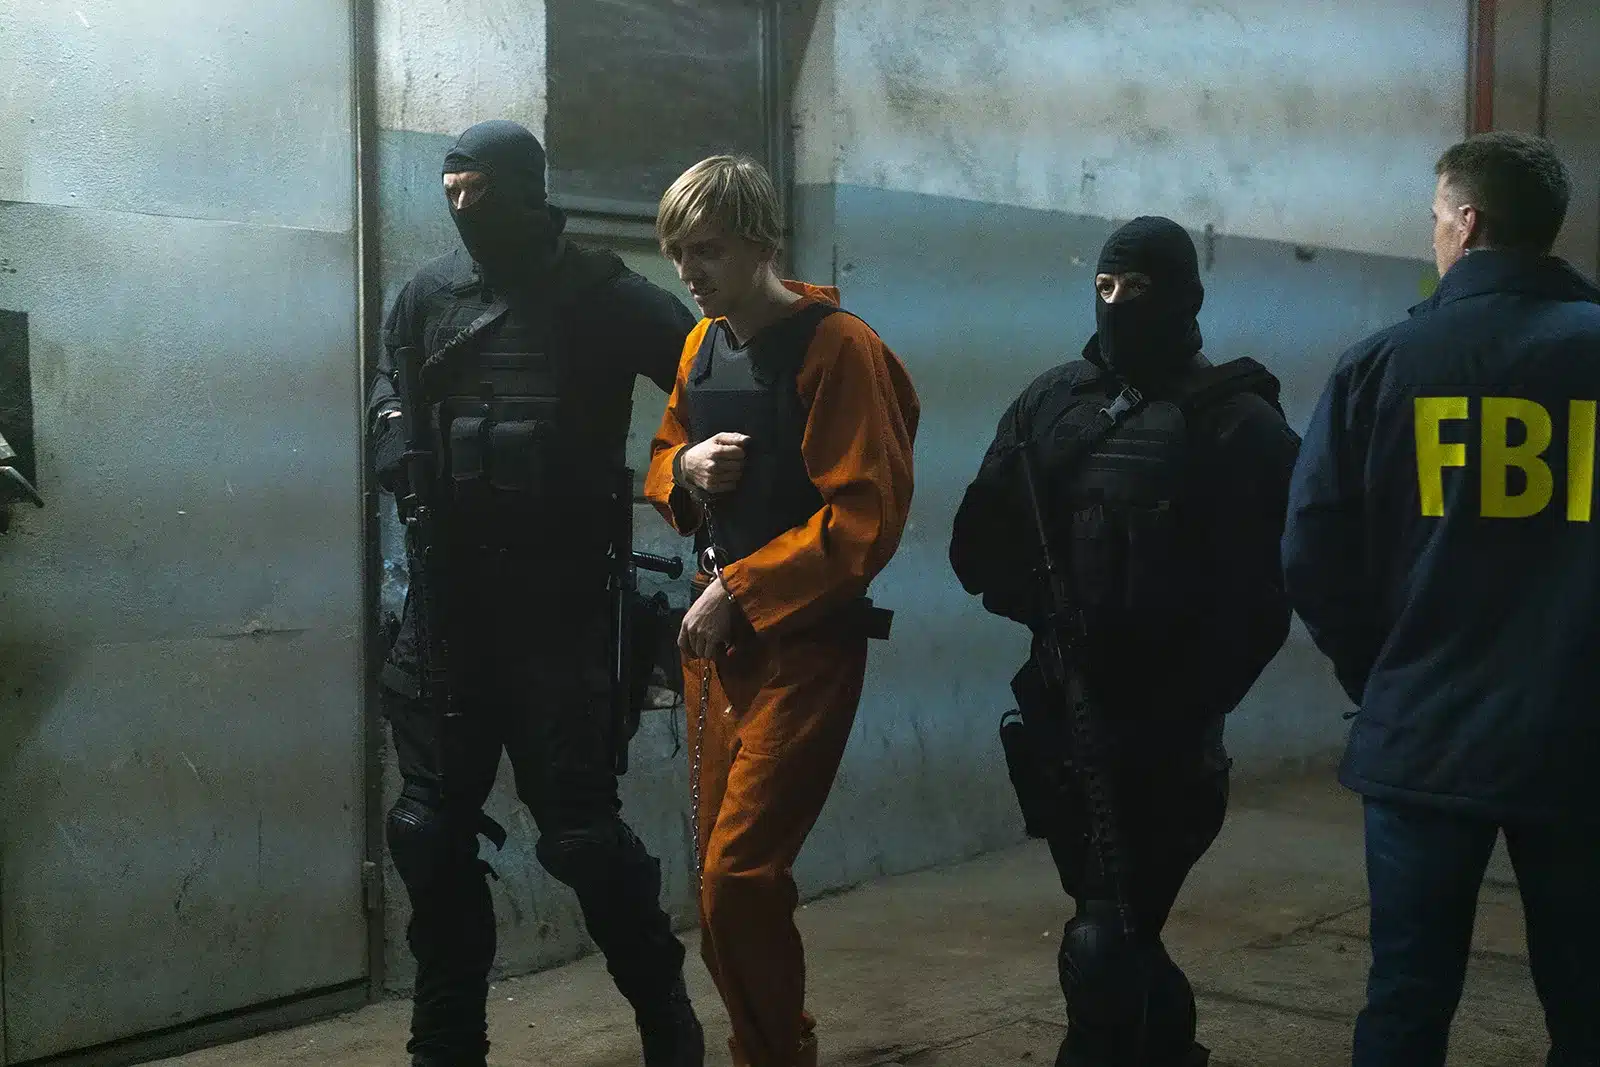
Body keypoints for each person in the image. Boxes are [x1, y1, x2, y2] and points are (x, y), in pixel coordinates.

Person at [367, 119, 704, 1067]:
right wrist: (391, 432)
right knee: (428, 834)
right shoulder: (428, 295)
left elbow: (706, 378)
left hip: (562, 614)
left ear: (526, 188)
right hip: (448, 609)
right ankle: (445, 1045)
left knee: (582, 838)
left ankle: (665, 1017)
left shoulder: (601, 294)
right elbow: (387, 387)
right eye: (451, 190)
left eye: (479, 189)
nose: (463, 206)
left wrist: (690, 478)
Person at [949, 217, 1299, 1067]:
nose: (1115, 305)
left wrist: (1186, 695)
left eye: (1136, 289)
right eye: (1103, 287)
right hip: (1064, 716)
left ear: (1183, 296)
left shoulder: (1237, 421)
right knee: (1119, 930)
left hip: (1168, 738)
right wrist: (1046, 608)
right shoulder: (1051, 403)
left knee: (1104, 942)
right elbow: (978, 547)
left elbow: (1265, 596)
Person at [1283, 131, 1600, 1067]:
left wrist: (1382, 674)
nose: (1431, 236)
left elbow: (1311, 551)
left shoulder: (1382, 364)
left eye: (1433, 218)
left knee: (1407, 998)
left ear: (1468, 221)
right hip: (1581, 736)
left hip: (1424, 728)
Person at [642, 155, 919, 1067]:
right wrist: (684, 469)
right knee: (717, 886)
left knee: (739, 874)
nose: (688, 272)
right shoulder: (701, 343)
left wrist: (738, 589)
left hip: (803, 643)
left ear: (762, 240)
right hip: (718, 644)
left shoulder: (837, 348)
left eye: (708, 250)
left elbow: (864, 518)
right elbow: (666, 451)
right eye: (678, 252)